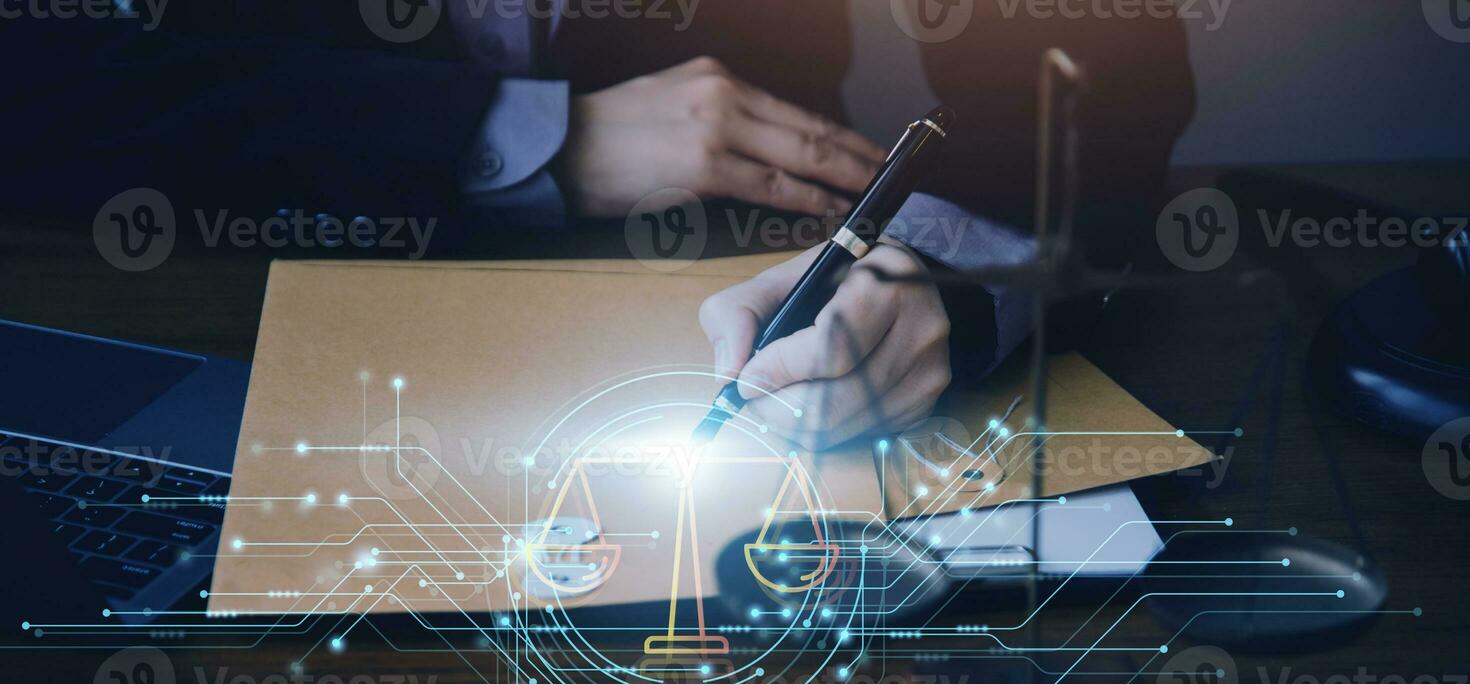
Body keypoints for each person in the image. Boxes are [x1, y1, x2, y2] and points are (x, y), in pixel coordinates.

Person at [1, 1, 1194, 447]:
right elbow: (51, 78)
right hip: (208, 311)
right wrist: (532, 132)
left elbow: (1103, 64)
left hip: (766, 260)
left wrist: (941, 268)